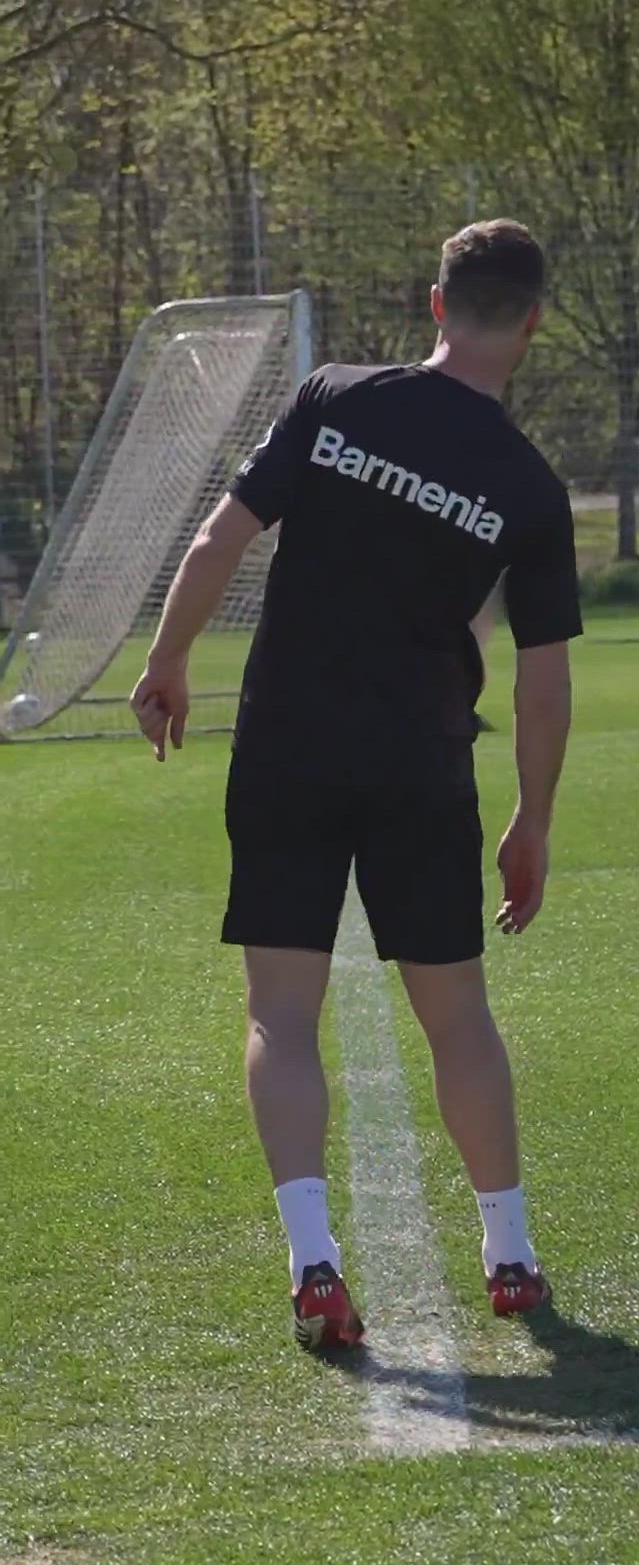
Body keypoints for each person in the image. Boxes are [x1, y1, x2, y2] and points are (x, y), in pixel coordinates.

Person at [130, 219, 581, 1353]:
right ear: (532, 323)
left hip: (286, 747)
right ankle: (512, 1255)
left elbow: (214, 547)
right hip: (421, 765)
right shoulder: (528, 486)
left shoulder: (333, 398)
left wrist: (167, 661)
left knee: (281, 1015)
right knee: (459, 1019)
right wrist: (533, 817)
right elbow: (543, 681)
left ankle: (315, 1264)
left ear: (437, 304)